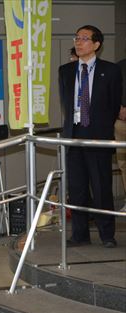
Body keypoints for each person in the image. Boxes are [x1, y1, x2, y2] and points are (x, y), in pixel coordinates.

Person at [58, 25, 122, 248]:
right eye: (77, 38)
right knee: (77, 189)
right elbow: (66, 102)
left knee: (102, 187)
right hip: (74, 135)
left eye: (84, 38)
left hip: (98, 136)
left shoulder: (111, 71)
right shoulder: (65, 71)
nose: (79, 42)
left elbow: (114, 105)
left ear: (96, 44)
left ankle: (107, 235)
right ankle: (80, 234)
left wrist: (100, 125)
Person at [115, 58, 126, 212]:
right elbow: (110, 91)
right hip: (120, 122)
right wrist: (118, 109)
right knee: (123, 163)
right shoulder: (118, 67)